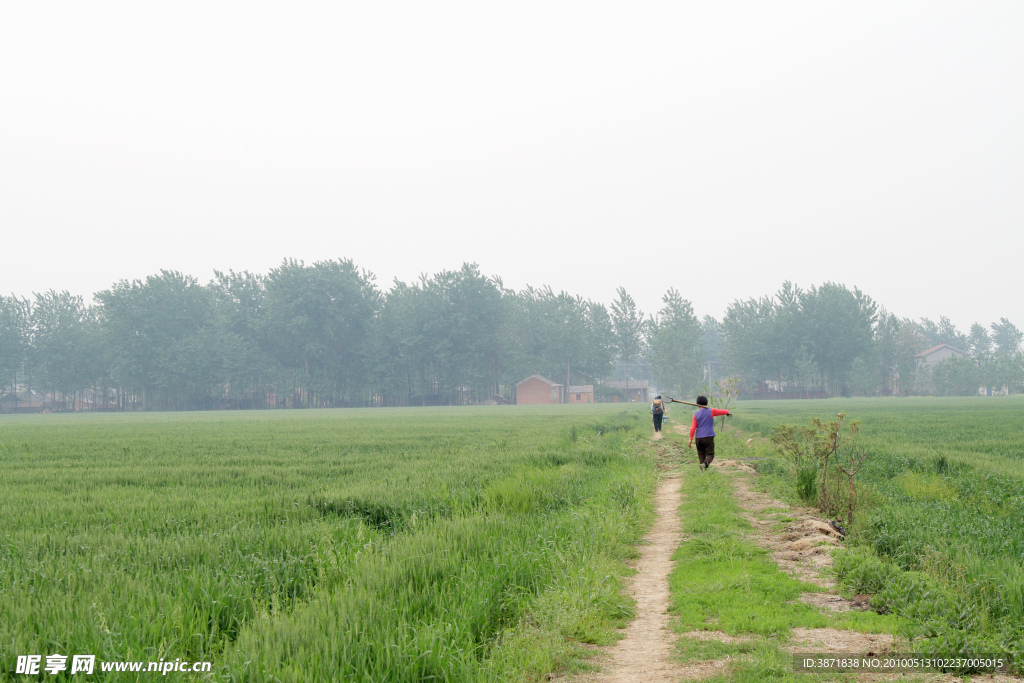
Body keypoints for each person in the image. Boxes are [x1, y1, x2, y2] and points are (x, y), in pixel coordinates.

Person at [688, 395, 732, 469]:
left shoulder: (696, 414)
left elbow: (693, 428)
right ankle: (704, 465)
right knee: (710, 455)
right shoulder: (711, 411)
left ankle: (703, 470)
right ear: (706, 402)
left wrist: (690, 439)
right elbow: (722, 411)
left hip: (698, 438)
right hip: (708, 437)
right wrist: (727, 412)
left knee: (701, 455)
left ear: (697, 404)